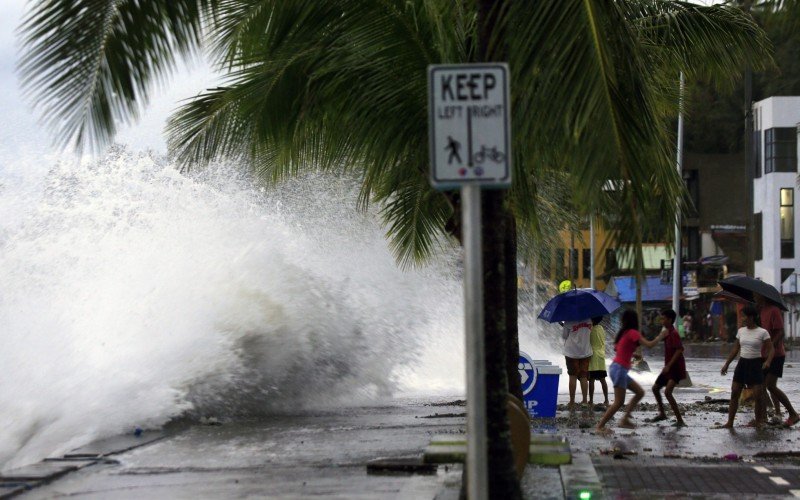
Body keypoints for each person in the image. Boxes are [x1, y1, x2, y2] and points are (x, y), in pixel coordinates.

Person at [595, 310, 665, 434]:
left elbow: (618, 348)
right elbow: (649, 345)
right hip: (620, 370)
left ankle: (625, 419)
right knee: (619, 402)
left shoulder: (623, 333)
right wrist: (661, 336)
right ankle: (600, 426)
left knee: (639, 392)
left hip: (616, 368)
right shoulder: (633, 332)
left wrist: (633, 354)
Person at [718, 305, 774, 429]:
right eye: (742, 316)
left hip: (755, 364)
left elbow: (771, 350)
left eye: (744, 316)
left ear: (752, 317)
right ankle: (730, 422)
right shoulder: (741, 331)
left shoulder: (762, 332)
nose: (742, 319)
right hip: (742, 364)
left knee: (758, 395)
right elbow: (735, 349)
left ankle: (759, 421)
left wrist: (768, 362)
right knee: (734, 393)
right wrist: (726, 364)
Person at [754, 293, 800, 427]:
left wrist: (771, 345)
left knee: (770, 385)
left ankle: (792, 413)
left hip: (776, 354)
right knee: (760, 386)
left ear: (762, 296)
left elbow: (780, 332)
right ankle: (761, 418)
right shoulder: (761, 310)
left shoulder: (774, 310)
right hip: (763, 354)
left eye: (756, 295)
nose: (754, 297)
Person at [648, 309, 687, 427]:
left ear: (670, 320)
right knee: (655, 388)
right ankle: (662, 413)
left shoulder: (674, 333)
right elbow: (655, 341)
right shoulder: (666, 332)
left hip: (675, 368)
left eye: (663, 318)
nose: (661, 320)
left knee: (667, 392)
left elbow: (680, 350)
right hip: (668, 368)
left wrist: (669, 365)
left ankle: (680, 420)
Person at [562, 318, 593, 410]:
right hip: (585, 351)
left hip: (571, 352)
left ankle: (572, 402)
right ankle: (584, 401)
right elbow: (588, 332)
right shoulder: (589, 320)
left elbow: (564, 336)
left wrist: (565, 327)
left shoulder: (569, 320)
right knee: (584, 376)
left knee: (573, 376)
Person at [588, 316, 610, 408]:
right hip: (601, 356)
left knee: (592, 379)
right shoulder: (601, 328)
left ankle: (591, 400)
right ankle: (606, 400)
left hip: (593, 356)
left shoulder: (590, 329)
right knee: (602, 379)